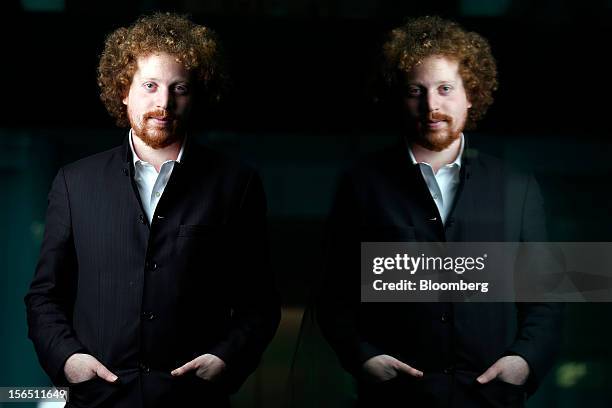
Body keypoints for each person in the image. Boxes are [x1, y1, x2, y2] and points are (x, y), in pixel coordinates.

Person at [25, 12, 280, 408]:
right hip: (98, 401)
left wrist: (226, 357)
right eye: (150, 85)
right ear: (123, 90)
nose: (164, 102)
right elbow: (45, 296)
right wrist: (68, 359)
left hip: (194, 401)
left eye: (179, 88)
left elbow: (259, 302)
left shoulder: (236, 184)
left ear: (195, 96)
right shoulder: (74, 182)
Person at [317, 16, 562, 407]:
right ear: (400, 98)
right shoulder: (362, 184)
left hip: (490, 400)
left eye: (445, 89)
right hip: (394, 400)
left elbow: (546, 297)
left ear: (471, 94)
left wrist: (523, 360)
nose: (431, 105)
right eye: (417, 90)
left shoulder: (517, 186)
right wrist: (363, 357)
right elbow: (333, 295)